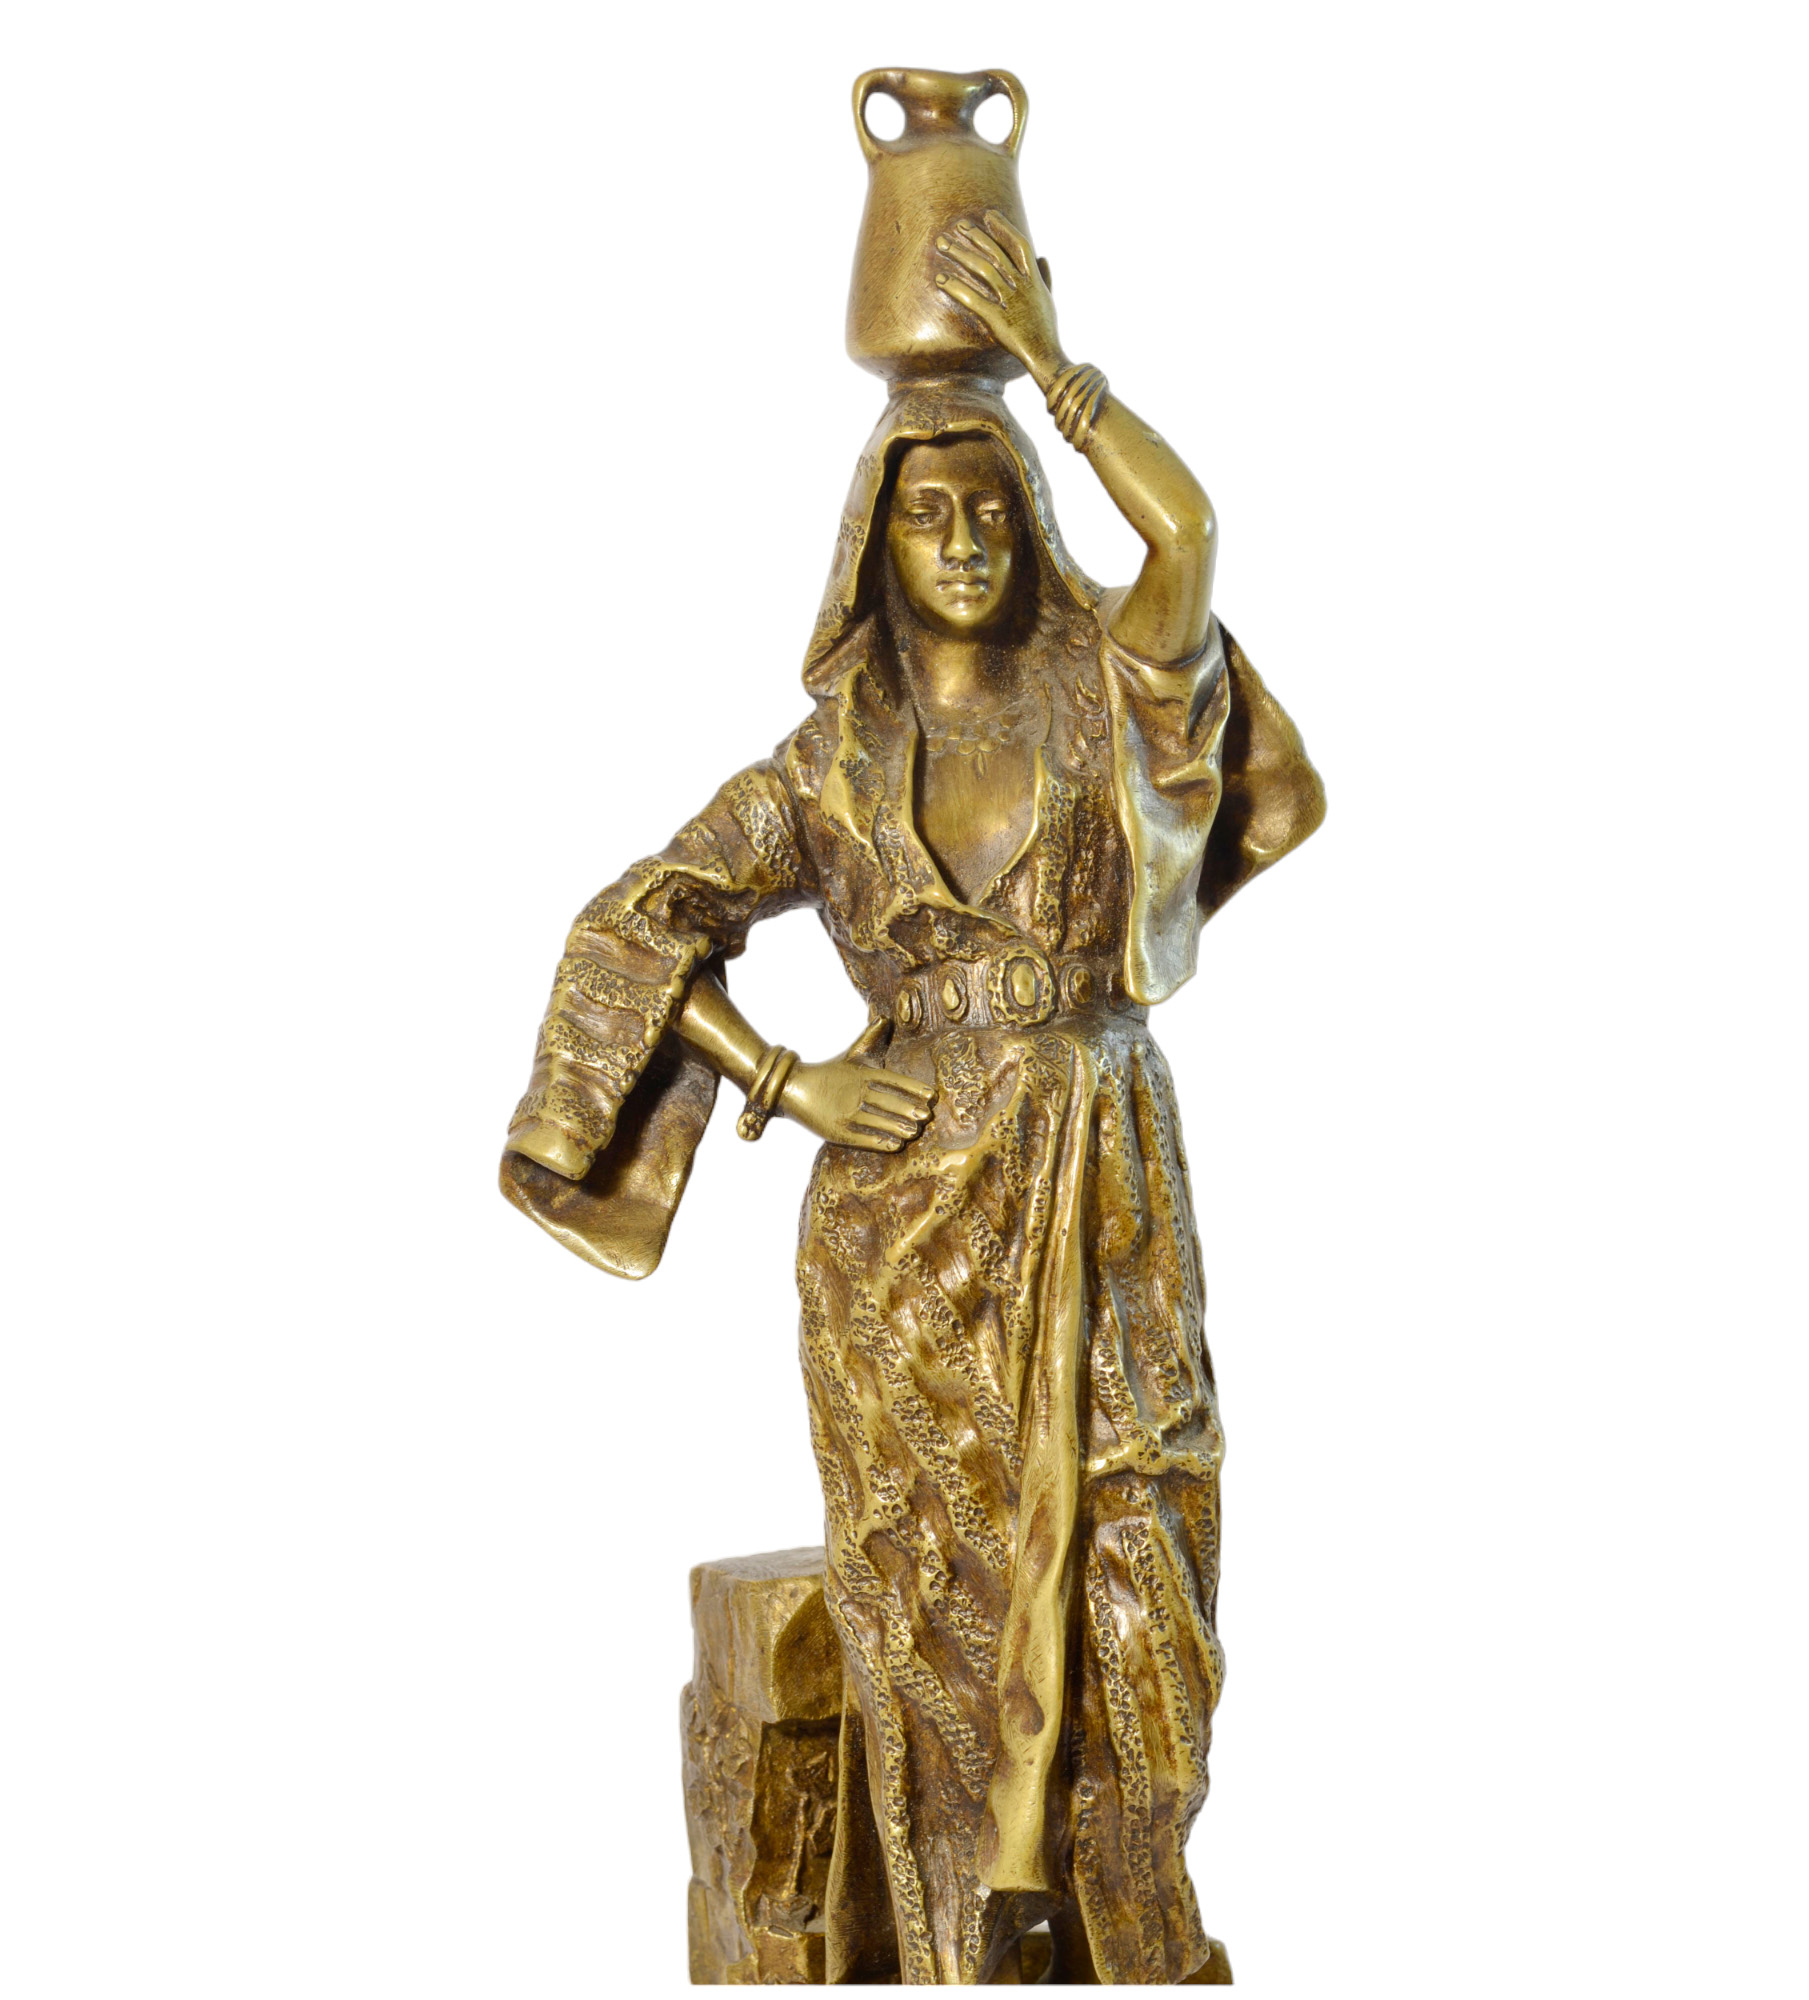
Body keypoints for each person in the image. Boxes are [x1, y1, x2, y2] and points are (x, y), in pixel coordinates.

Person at [501, 212, 1324, 1984]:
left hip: (1105, 1174)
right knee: (940, 1614)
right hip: (908, 1238)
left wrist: (1050, 368)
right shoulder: (830, 770)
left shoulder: (1107, 697)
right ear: (869, 548)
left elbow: (1186, 534)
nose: (962, 540)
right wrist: (785, 1080)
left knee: (1144, 1591)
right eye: (925, 513)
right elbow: (633, 926)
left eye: (992, 509)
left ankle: (1137, 1936)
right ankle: (960, 1957)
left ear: (1034, 524)